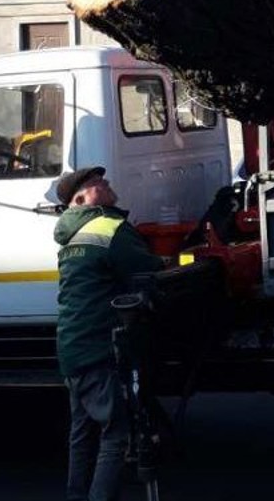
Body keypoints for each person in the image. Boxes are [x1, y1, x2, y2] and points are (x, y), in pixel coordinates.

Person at [54, 165, 164, 501]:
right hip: (99, 345)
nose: (107, 183)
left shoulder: (70, 235)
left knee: (82, 433)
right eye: (98, 183)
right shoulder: (110, 227)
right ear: (82, 197)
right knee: (116, 433)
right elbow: (148, 268)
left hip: (72, 347)